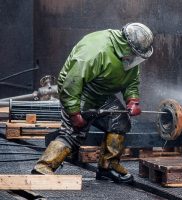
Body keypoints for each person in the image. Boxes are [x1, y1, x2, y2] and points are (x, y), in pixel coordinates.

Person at [31, 23, 154, 183]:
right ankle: (43, 168)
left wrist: (132, 100)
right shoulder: (96, 51)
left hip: (102, 94)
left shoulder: (129, 56)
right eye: (135, 53)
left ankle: (108, 166)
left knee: (119, 122)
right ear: (127, 46)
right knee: (74, 132)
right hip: (79, 92)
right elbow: (71, 84)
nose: (136, 58)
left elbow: (132, 79)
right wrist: (74, 113)